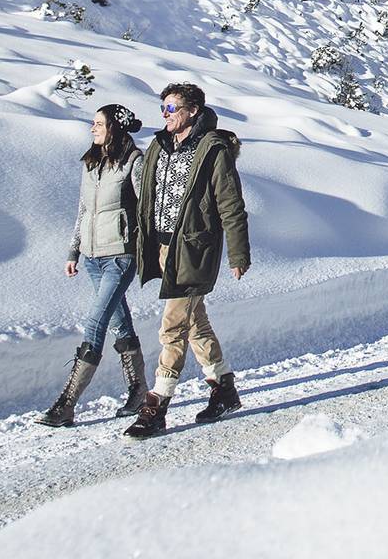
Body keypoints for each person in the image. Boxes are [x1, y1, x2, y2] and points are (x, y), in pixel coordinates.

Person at [124, 82, 252, 439]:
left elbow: (230, 203)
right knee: (196, 324)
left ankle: (157, 405)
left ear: (192, 111)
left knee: (173, 327)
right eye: (163, 108)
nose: (165, 115)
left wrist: (238, 253)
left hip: (193, 251)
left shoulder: (212, 150)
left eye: (172, 108)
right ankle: (224, 389)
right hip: (162, 248)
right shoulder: (159, 145)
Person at [37, 104, 150, 427]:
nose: (92, 128)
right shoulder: (91, 163)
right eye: (93, 123)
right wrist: (74, 251)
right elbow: (83, 210)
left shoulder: (134, 162)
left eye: (98, 123)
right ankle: (138, 390)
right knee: (119, 323)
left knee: (95, 324)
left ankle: (67, 403)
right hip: (92, 258)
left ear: (115, 126)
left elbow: (145, 210)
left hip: (120, 255)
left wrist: (146, 251)